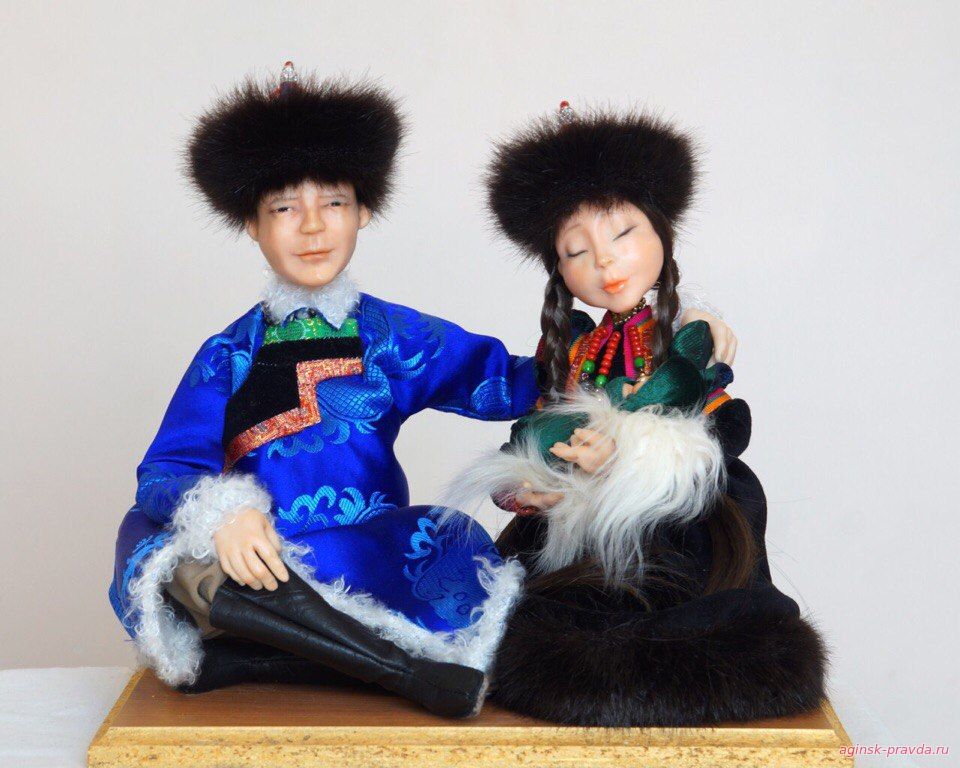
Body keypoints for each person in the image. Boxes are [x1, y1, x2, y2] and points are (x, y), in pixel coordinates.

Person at [447, 101, 827, 725]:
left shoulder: (686, 335)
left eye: (623, 235)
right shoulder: (575, 347)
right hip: (581, 526)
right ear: (559, 271)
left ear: (661, 235)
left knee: (680, 565)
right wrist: (534, 481)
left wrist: (628, 453)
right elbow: (535, 432)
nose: (605, 261)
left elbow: (722, 426)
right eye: (577, 250)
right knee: (546, 590)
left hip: (677, 516)